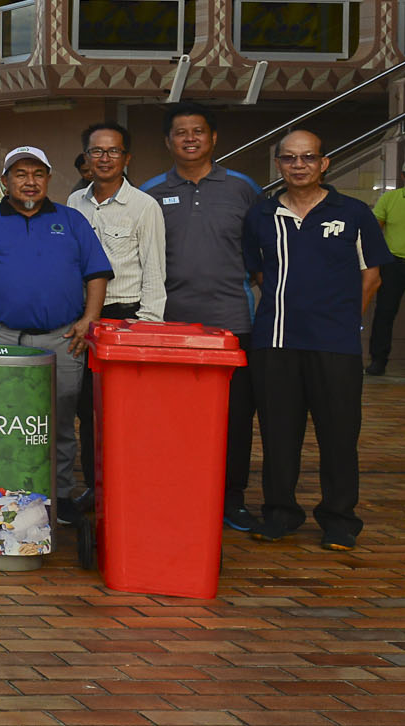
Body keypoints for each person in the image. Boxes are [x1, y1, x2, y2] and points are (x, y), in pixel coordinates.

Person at [244, 128, 387, 551]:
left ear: (324, 163)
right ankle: (280, 514)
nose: (298, 165)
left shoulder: (355, 213)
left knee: (339, 436)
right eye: (289, 158)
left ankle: (340, 520)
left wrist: (342, 322)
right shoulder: (261, 216)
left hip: (335, 347)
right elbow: (259, 274)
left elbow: (372, 276)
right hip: (275, 343)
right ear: (279, 165)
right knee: (278, 435)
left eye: (307, 157)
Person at [0, 146, 111, 523]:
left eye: (38, 174)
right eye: (21, 174)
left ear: (48, 179)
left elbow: (96, 274)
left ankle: (57, 500)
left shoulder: (71, 220)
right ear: (6, 181)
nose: (30, 182)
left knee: (58, 422)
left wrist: (89, 319)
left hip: (60, 338)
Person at [140, 104, 265, 530]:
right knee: (174, 416)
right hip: (170, 325)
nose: (189, 139)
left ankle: (231, 499)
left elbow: (262, 253)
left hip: (233, 323)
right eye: (180, 133)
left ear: (214, 138)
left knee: (234, 417)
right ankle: (179, 491)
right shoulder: (151, 193)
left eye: (198, 131)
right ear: (168, 142)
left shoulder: (243, 188)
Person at [68, 122, 166, 490]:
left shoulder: (144, 206)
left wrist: (147, 330)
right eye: (96, 151)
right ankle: (96, 490)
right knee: (86, 410)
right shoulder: (74, 203)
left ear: (126, 158)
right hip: (80, 321)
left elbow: (155, 271)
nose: (104, 158)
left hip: (125, 321)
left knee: (122, 414)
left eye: (112, 152)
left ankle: (125, 489)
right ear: (86, 158)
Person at [365, 158, 404, 376]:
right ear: (403, 177)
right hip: (393, 263)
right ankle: (378, 360)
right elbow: (373, 230)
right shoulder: (390, 198)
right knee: (385, 313)